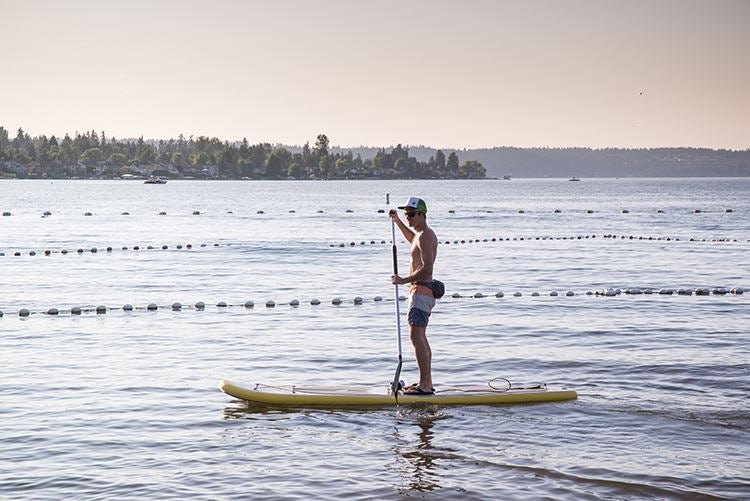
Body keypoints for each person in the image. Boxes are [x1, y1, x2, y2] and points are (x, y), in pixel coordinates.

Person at [389, 197, 439, 395]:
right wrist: (398, 222)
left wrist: (403, 280)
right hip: (419, 291)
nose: (407, 217)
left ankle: (425, 385)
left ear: (422, 214)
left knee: (416, 336)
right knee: (420, 337)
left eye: (410, 214)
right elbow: (412, 240)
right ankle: (425, 382)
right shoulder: (419, 235)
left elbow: (428, 268)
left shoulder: (426, 235)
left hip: (421, 290)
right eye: (405, 214)